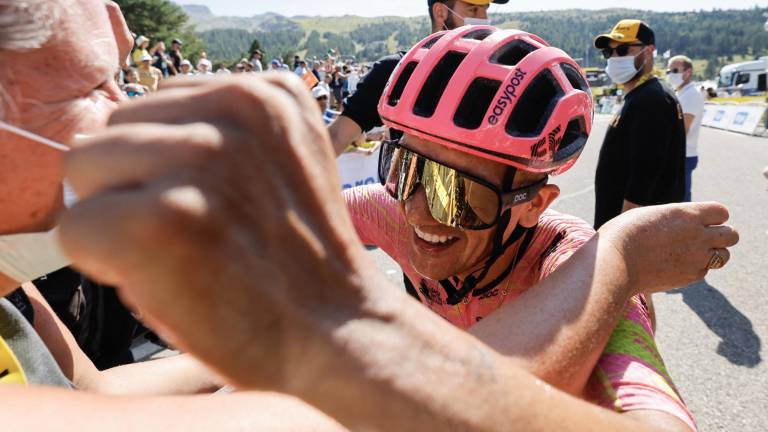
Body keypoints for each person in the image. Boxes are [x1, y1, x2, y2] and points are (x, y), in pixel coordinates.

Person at [56, 74, 736, 432]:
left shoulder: (579, 264)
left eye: (453, 191)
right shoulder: (391, 208)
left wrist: (616, 254)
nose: (415, 211)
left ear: (533, 201)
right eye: (405, 168)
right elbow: (296, 224)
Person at [328, 0, 507, 153]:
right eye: (473, 9)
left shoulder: (498, 75)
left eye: (486, 10)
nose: (484, 20)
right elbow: (336, 137)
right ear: (440, 12)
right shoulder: (396, 70)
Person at [592, 20, 686, 229]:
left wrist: (622, 233)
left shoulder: (651, 99)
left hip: (635, 233)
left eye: (623, 49)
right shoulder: (643, 94)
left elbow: (644, 177)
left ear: (649, 50)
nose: (615, 58)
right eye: (609, 52)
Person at [667, 55, 705, 202]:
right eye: (669, 71)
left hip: (683, 155)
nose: (671, 74)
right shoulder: (682, 92)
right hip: (681, 154)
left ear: (688, 72)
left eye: (675, 70)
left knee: (681, 201)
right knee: (677, 199)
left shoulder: (691, 95)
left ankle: (687, 226)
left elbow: (683, 130)